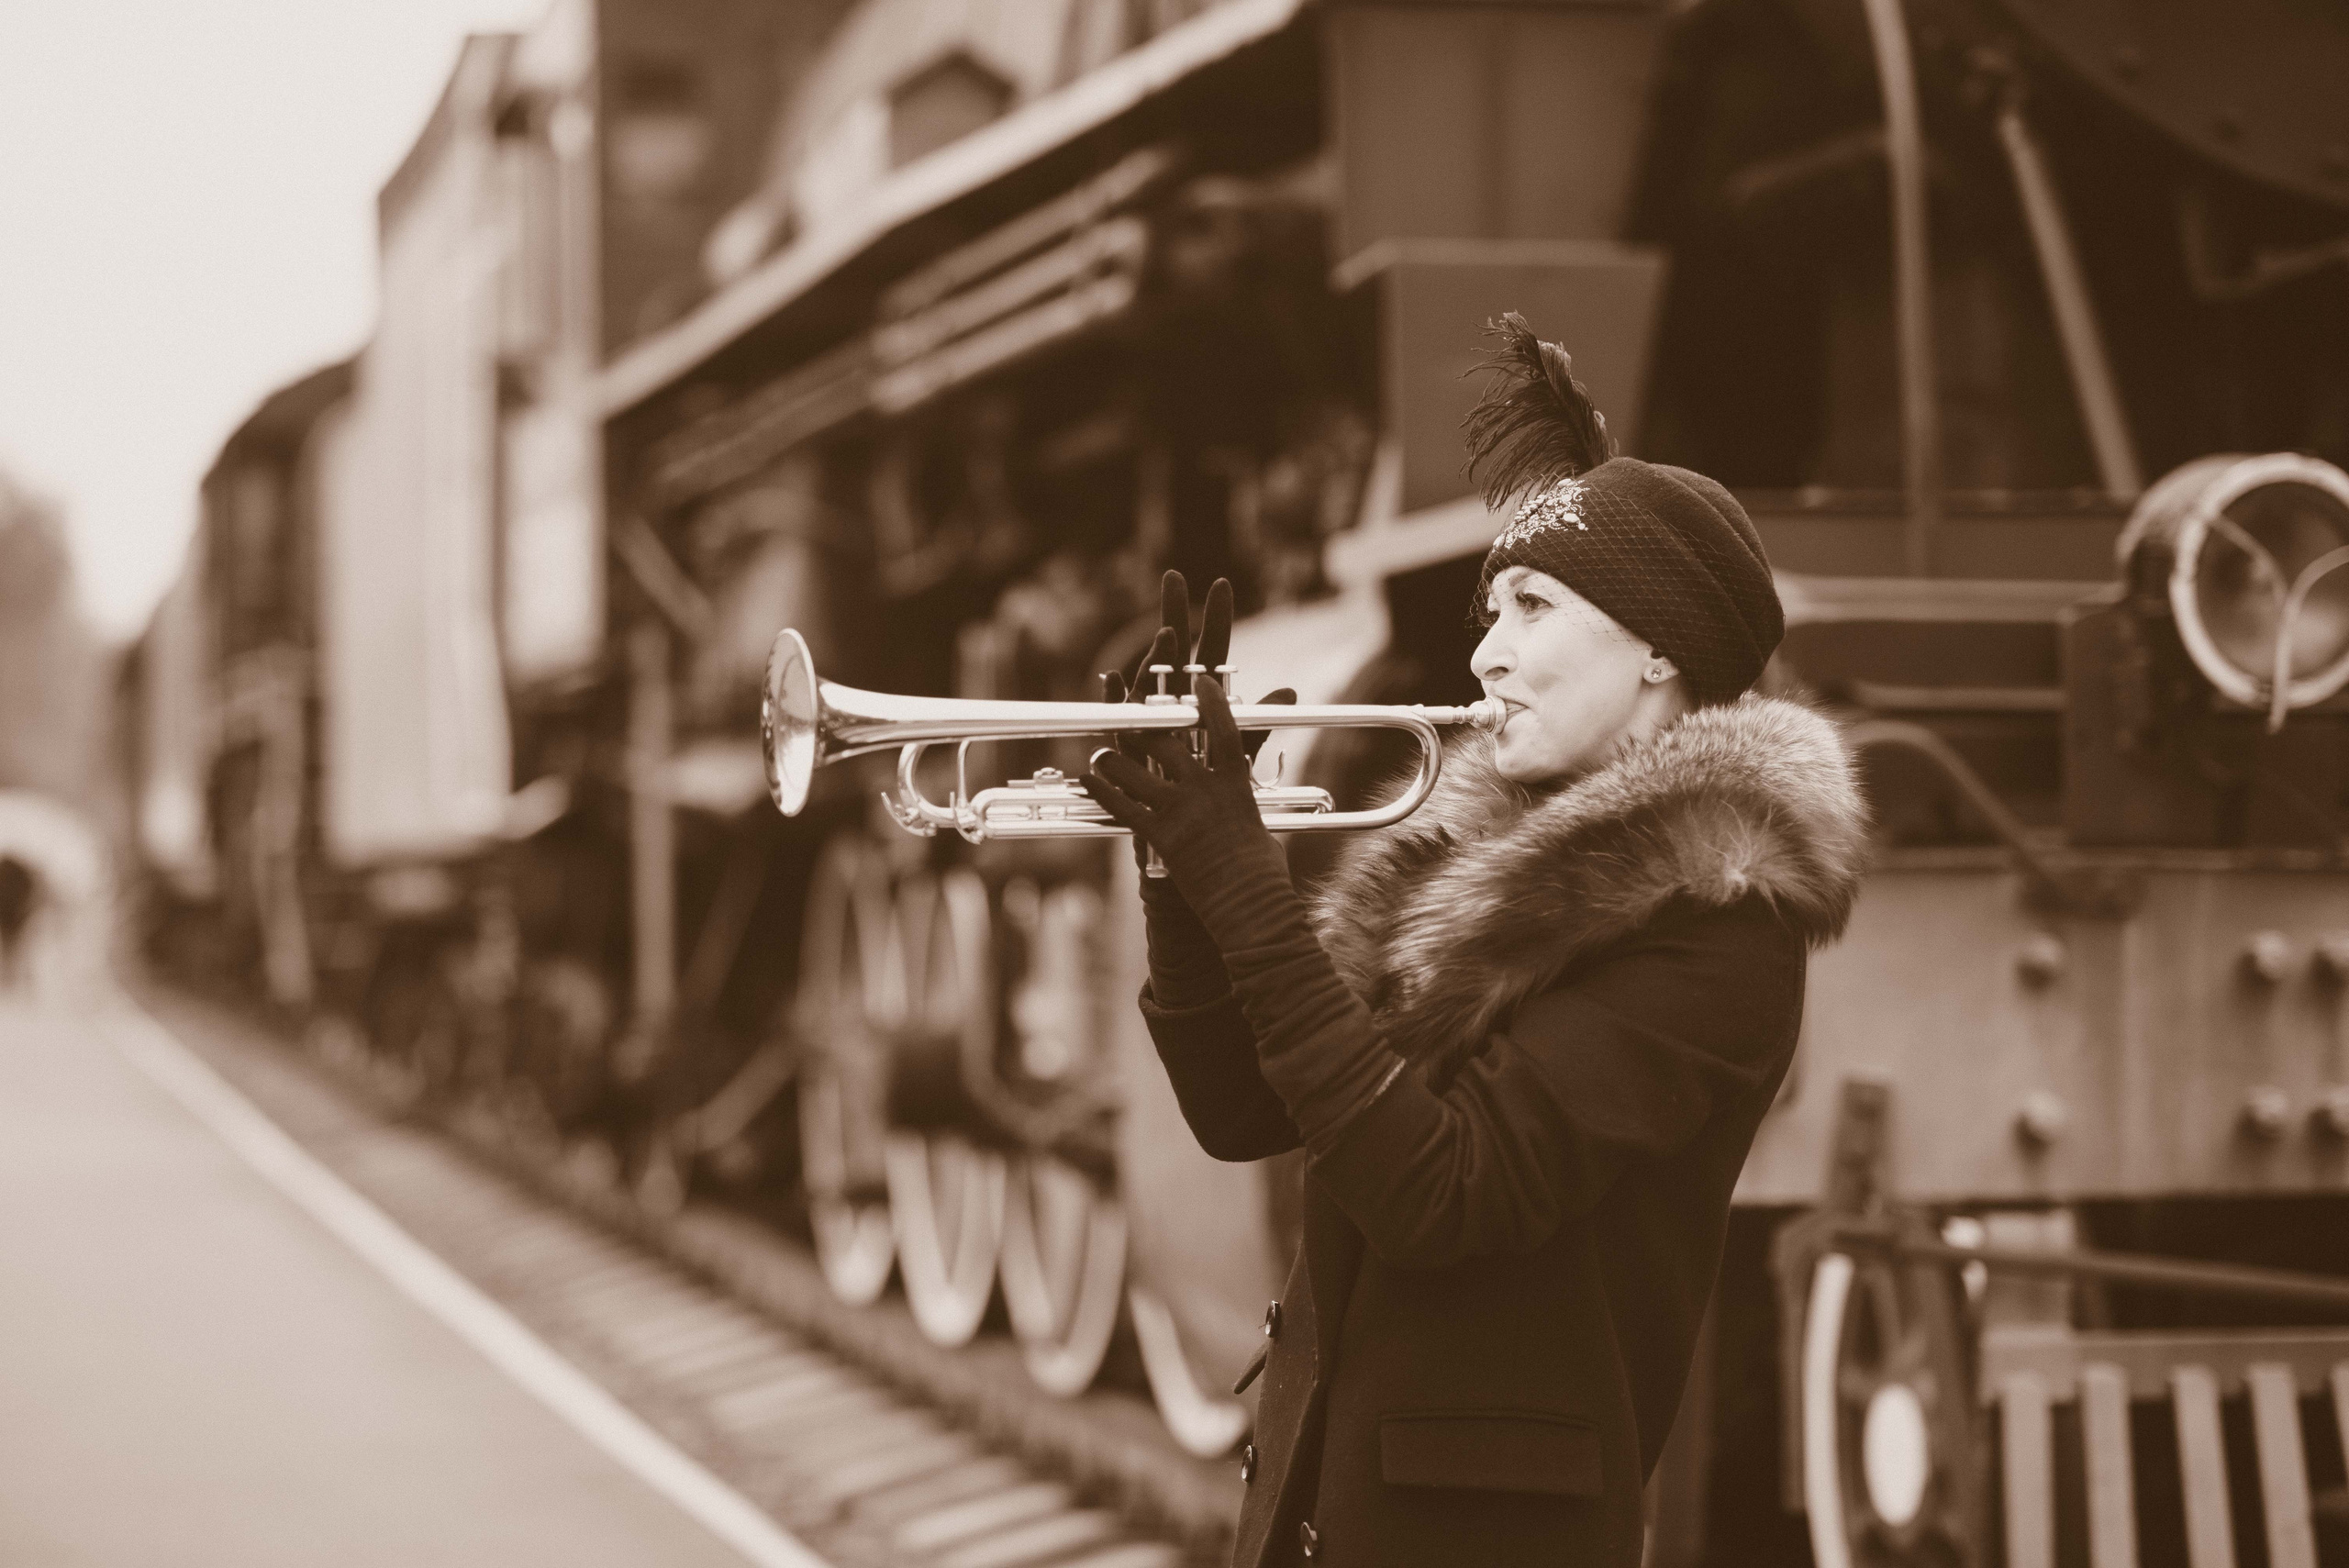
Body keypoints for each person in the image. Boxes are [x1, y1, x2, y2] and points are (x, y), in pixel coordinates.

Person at [1081, 316, 1868, 1566]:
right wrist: (1182, 876)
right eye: (1491, 609)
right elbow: (1241, 1108)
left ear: (1661, 648)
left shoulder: (1720, 925)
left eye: (1533, 607)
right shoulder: (1472, 881)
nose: (1487, 651)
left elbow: (1439, 1191)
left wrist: (1246, 880)